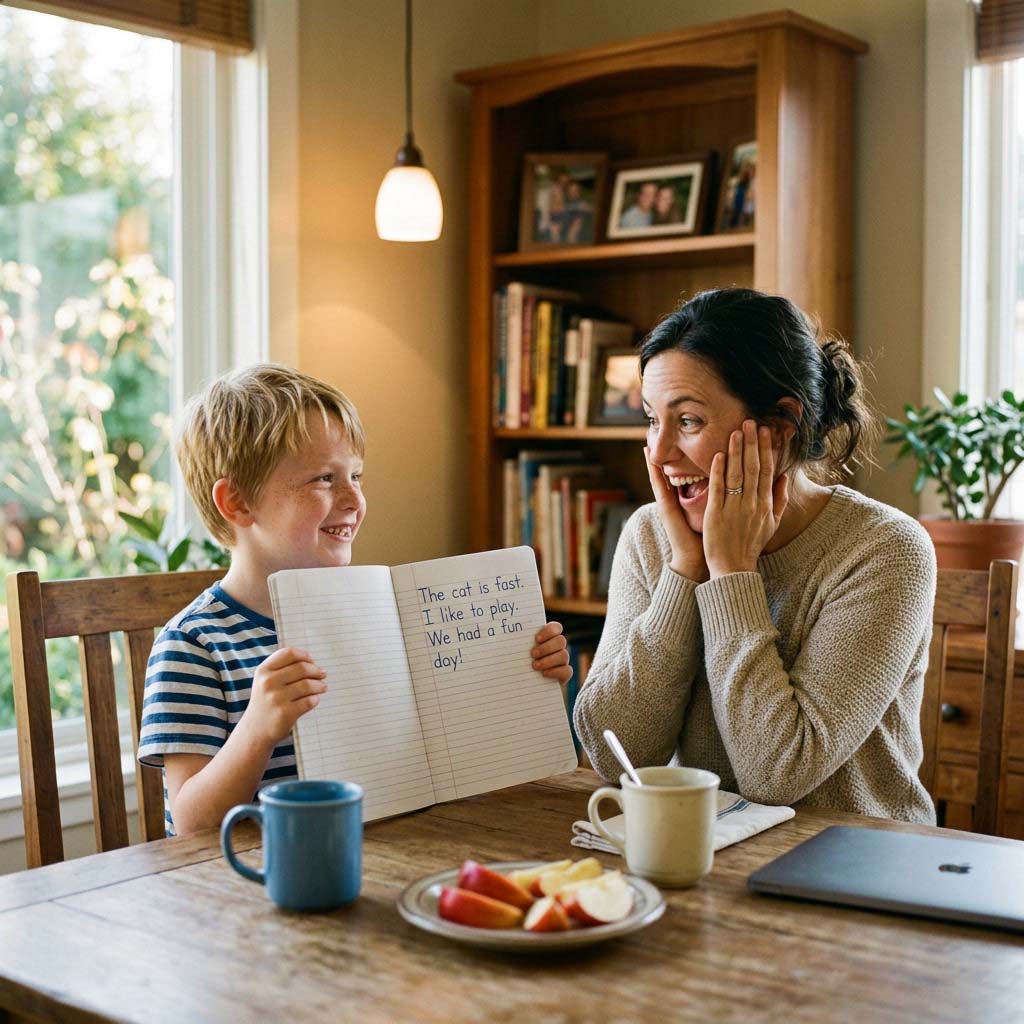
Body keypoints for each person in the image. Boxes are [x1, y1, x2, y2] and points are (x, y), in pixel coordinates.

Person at [138, 364, 573, 835]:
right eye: (323, 479)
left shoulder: (375, 620)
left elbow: (445, 761)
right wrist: (259, 728)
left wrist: (516, 675)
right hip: (256, 883)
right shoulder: (193, 645)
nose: (353, 500)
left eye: (357, 476)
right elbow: (190, 824)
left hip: (387, 852)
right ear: (238, 502)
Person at [573, 288, 937, 824]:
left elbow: (778, 774)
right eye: (652, 420)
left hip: (852, 872)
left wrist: (731, 573)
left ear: (779, 429)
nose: (660, 453)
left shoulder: (885, 551)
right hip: (702, 856)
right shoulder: (652, 536)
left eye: (688, 421)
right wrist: (684, 571)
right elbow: (612, 755)